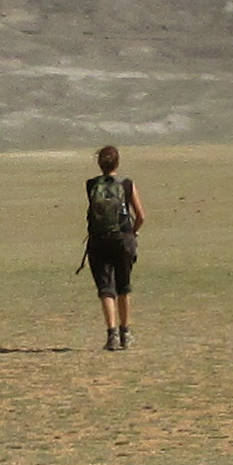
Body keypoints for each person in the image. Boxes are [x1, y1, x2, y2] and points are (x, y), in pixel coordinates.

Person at [80, 143, 144, 348]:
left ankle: (111, 334)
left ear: (99, 164)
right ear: (118, 162)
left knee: (106, 288)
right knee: (123, 286)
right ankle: (126, 333)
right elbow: (141, 216)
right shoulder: (127, 184)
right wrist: (133, 231)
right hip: (123, 239)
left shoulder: (91, 185)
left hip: (99, 240)